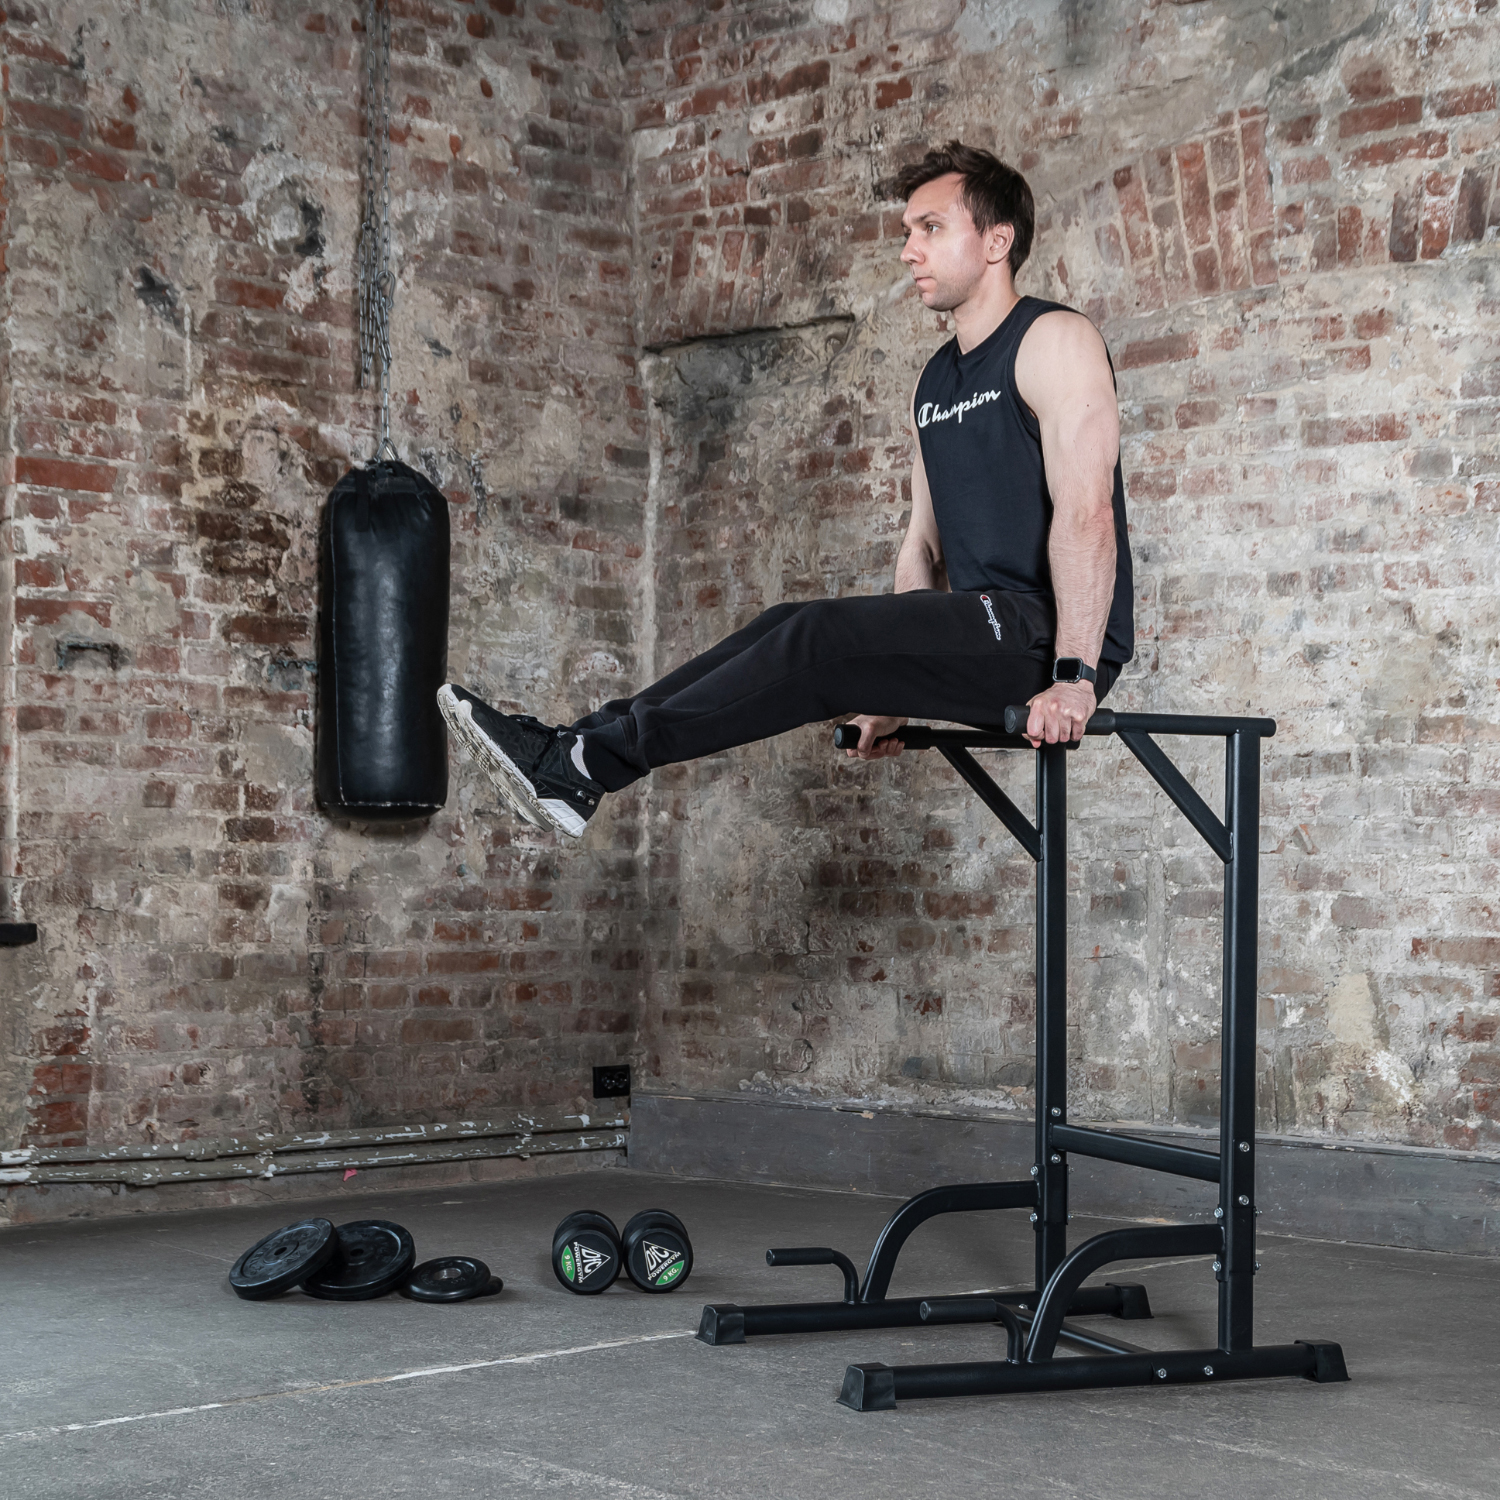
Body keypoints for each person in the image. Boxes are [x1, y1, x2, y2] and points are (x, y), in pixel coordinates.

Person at [438, 140, 1133, 839]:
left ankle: (587, 764)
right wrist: (892, 686)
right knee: (784, 622)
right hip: (982, 629)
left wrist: (1074, 677)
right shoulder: (934, 382)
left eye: (931, 228)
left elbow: (1087, 514)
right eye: (907, 232)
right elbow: (923, 548)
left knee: (816, 636)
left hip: (1046, 638)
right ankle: (577, 749)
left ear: (996, 241)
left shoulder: (1054, 340)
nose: (908, 251)